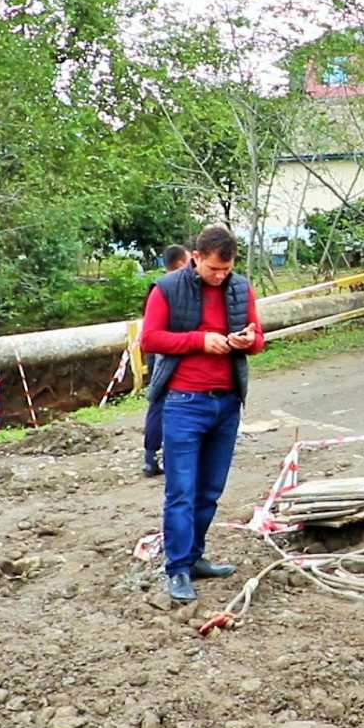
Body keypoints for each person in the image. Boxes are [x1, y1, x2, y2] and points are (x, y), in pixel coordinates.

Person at [140, 225, 266, 603]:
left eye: (226, 270)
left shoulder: (241, 288)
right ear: (196, 257)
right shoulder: (167, 289)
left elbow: (259, 338)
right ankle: (176, 568)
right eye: (213, 269)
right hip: (183, 403)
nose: (220, 276)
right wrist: (199, 340)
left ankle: (193, 557)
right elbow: (150, 339)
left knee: (210, 490)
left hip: (226, 403)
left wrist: (248, 341)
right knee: (181, 490)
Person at [141, 244, 190, 478]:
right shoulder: (169, 289)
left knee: (158, 402)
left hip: (160, 354)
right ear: (181, 263)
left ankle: (151, 457)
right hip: (167, 354)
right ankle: (158, 457)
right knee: (165, 402)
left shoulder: (159, 288)